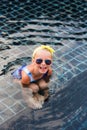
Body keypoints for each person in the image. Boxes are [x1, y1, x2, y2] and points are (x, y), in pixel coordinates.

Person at [12, 45, 55, 109]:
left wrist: (45, 92)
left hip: (35, 78)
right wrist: (28, 100)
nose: (43, 64)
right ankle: (36, 95)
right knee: (35, 88)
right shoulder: (26, 75)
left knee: (43, 85)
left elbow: (47, 81)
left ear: (51, 62)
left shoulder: (49, 71)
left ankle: (41, 95)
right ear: (33, 61)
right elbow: (24, 89)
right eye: (39, 61)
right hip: (20, 79)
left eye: (47, 61)